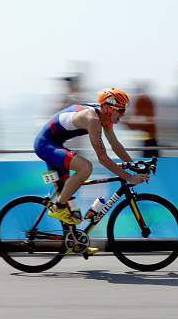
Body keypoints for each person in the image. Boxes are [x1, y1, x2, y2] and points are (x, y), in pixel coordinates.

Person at [34, 87, 149, 231]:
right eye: (121, 110)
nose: (123, 114)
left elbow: (115, 145)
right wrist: (129, 178)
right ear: (108, 108)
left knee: (72, 209)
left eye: (124, 110)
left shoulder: (105, 118)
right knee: (86, 167)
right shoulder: (92, 119)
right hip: (45, 145)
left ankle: (76, 243)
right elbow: (102, 158)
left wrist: (134, 165)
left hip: (56, 145)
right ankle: (58, 207)